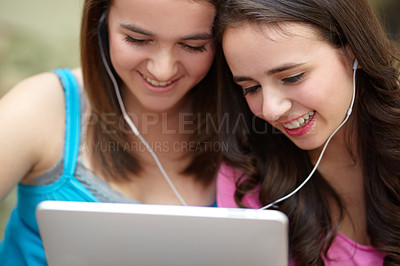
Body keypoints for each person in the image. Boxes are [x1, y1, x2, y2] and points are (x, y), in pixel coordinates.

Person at [0, 0, 221, 264]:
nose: (163, 70)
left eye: (192, 46)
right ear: (102, 23)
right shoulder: (46, 105)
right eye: (137, 39)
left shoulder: (252, 116)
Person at [215, 0, 400, 265]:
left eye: (292, 77)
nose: (271, 110)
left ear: (353, 53)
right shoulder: (247, 182)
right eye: (251, 88)